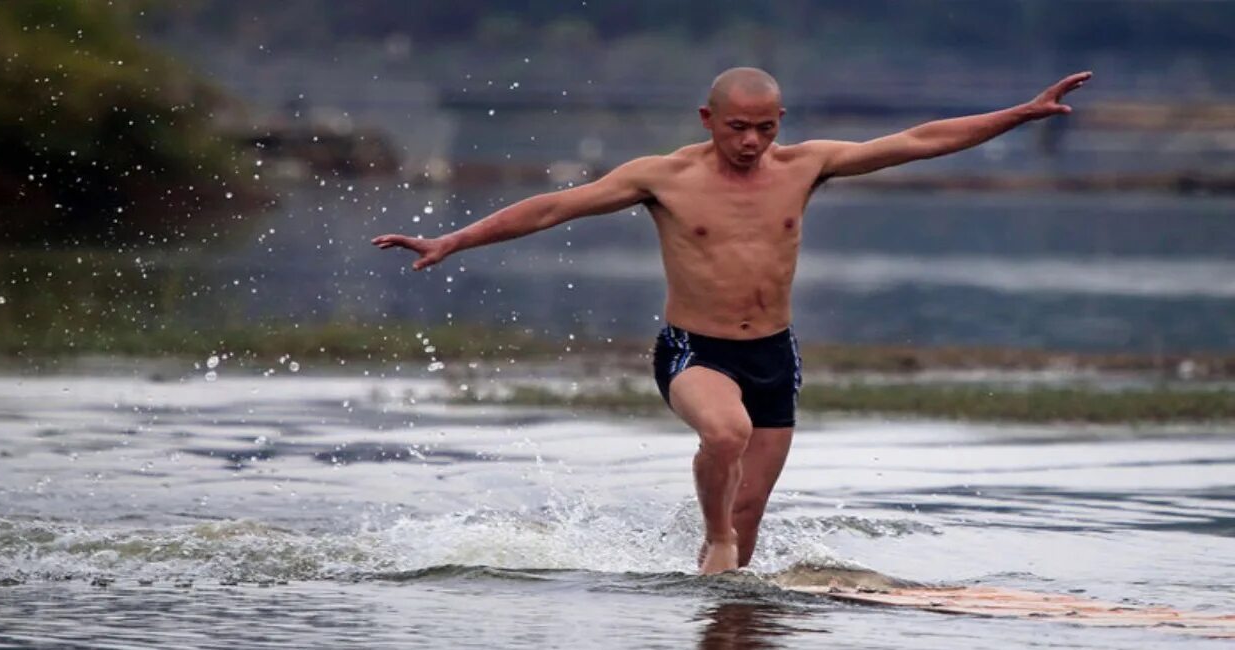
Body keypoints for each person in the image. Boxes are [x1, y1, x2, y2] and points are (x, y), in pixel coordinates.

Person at [372, 67, 1092, 575]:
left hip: (774, 355)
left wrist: (1020, 114)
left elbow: (920, 140)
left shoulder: (807, 165)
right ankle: (712, 539)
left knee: (747, 529)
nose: (751, 142)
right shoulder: (663, 177)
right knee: (726, 434)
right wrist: (453, 240)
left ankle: (719, 633)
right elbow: (554, 206)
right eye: (739, 127)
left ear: (782, 125)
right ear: (708, 119)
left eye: (766, 129)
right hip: (695, 352)